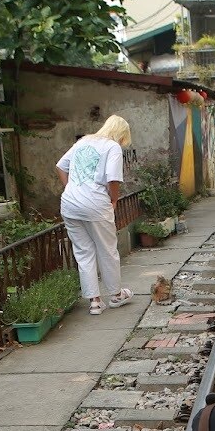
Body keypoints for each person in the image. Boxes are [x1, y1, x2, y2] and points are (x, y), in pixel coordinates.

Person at [55, 115, 134, 315]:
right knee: (107, 250)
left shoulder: (83, 142)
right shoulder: (112, 147)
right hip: (96, 204)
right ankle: (116, 295)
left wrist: (71, 188)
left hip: (70, 204)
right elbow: (113, 179)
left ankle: (95, 302)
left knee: (83, 252)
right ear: (121, 134)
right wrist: (114, 200)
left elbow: (60, 166)